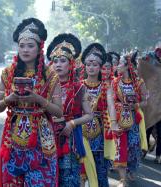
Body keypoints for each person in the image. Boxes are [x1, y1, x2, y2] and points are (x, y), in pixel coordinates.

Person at [0, 18, 63, 186]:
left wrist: (38, 100)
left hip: (41, 137)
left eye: (30, 46)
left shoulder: (51, 75)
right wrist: (10, 99)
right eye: (21, 46)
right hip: (12, 137)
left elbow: (59, 112)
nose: (25, 50)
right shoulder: (7, 72)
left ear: (39, 47)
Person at [47, 33, 93, 186]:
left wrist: (72, 124)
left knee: (68, 178)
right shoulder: (45, 86)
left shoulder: (79, 88)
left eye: (62, 61)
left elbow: (89, 115)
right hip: (46, 137)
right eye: (55, 61)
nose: (58, 64)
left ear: (71, 64)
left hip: (69, 139)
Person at [81, 43, 117, 187]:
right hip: (80, 131)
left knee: (100, 171)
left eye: (95, 64)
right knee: (81, 172)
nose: (91, 67)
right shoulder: (79, 85)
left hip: (100, 133)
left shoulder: (105, 86)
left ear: (100, 67)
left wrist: (113, 122)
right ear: (84, 66)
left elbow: (111, 104)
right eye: (89, 64)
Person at [112, 53, 148, 186]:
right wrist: (119, 106)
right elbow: (111, 101)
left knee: (133, 145)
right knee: (121, 146)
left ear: (128, 66)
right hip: (120, 118)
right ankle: (123, 176)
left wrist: (135, 105)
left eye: (120, 63)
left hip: (134, 119)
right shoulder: (115, 82)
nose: (117, 66)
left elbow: (145, 101)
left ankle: (132, 168)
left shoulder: (139, 82)